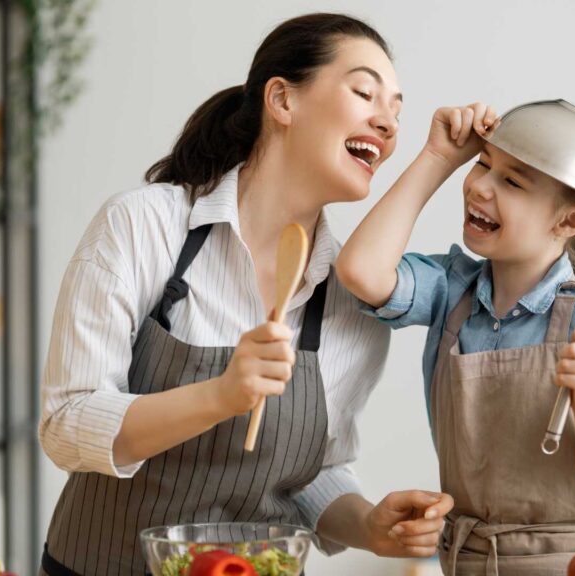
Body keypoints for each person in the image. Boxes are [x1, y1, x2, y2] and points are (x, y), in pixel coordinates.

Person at [39, 13, 452, 575]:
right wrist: (220, 395)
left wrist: (369, 525)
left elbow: (312, 473)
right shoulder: (143, 227)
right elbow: (68, 422)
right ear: (282, 100)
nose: (388, 123)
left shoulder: (352, 303)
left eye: (397, 111)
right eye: (364, 93)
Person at [335, 100, 575, 574]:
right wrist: (438, 158)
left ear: (570, 221)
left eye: (511, 182)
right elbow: (360, 271)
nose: (480, 187)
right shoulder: (450, 291)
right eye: (483, 164)